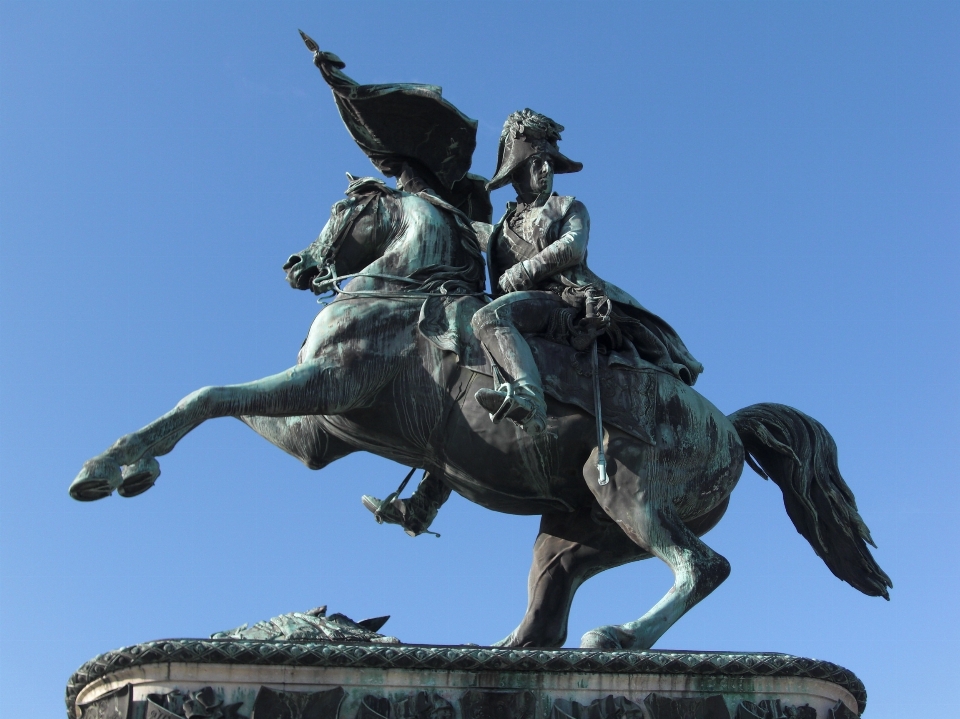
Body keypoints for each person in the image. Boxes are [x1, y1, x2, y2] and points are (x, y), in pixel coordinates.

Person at [364, 109, 704, 534]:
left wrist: (524, 272)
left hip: (561, 301)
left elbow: (572, 248)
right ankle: (421, 507)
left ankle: (530, 398)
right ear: (516, 172)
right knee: (461, 386)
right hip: (524, 313)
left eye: (548, 165)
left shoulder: (569, 207)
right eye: (533, 165)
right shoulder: (501, 226)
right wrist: (416, 191)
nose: (543, 172)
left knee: (490, 317)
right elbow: (458, 227)